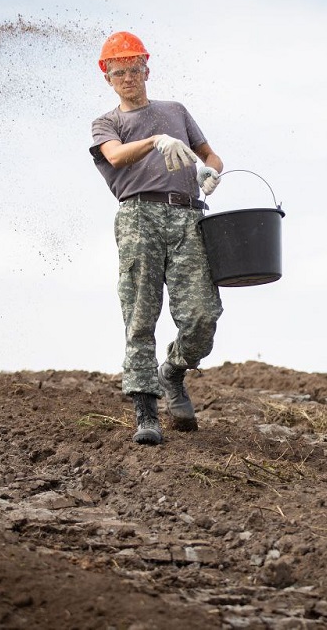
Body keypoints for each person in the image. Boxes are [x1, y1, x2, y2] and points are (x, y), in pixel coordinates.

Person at [88, 31, 224, 446]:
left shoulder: (175, 110)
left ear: (147, 69)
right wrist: (154, 142)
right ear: (107, 78)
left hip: (187, 217)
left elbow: (210, 154)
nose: (128, 77)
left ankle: (174, 370)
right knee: (140, 317)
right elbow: (115, 155)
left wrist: (211, 171)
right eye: (119, 72)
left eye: (134, 69)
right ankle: (146, 413)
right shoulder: (107, 123)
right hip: (138, 217)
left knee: (203, 315)